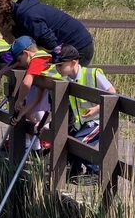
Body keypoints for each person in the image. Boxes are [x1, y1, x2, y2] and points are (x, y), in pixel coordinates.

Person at [48, 43, 116, 182]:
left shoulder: (92, 73)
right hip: (83, 122)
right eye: (56, 65)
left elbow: (112, 93)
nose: (57, 68)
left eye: (60, 65)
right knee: (66, 142)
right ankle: (75, 170)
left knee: (80, 144)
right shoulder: (66, 79)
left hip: (99, 119)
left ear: (73, 62)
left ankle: (97, 172)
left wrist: (97, 108)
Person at [0, 0, 94, 67]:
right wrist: (2, 72)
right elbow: (22, 52)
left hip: (78, 45)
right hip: (63, 47)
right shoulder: (17, 23)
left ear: (1, 16)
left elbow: (51, 44)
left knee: (62, 87)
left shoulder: (28, 17)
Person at [6, 35, 58, 152]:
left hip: (65, 97)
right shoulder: (43, 71)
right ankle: (39, 151)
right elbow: (37, 98)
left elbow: (26, 82)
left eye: (19, 60)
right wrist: (20, 114)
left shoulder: (38, 59)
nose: (20, 64)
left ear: (26, 53)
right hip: (57, 96)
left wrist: (20, 100)